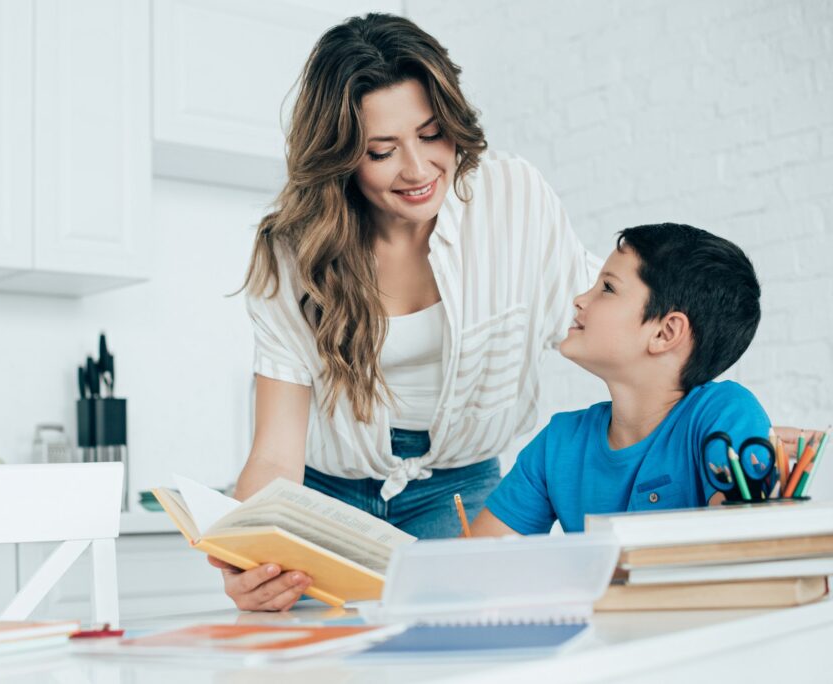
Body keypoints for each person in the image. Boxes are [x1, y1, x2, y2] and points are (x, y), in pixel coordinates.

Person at [210, 12, 599, 611]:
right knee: (315, 661)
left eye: (432, 133)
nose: (418, 170)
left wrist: (701, 415)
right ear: (341, 159)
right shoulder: (294, 248)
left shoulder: (512, 200)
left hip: (460, 489)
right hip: (324, 499)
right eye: (382, 151)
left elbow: (608, 323)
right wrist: (247, 555)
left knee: (459, 656)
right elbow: (274, 453)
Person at [473, 223, 775, 536]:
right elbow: (475, 560)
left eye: (607, 288)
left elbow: (741, 548)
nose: (579, 299)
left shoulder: (725, 414)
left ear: (664, 333)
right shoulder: (559, 443)